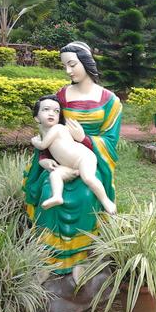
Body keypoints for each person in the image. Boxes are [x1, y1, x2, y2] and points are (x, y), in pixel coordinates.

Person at [23, 42, 122, 275]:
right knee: (49, 190)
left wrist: (85, 139)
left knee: (87, 194)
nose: (68, 71)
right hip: (60, 162)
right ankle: (48, 257)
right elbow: (48, 131)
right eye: (65, 66)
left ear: (86, 63)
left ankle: (82, 258)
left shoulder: (110, 101)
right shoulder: (61, 97)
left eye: (72, 65)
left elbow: (110, 141)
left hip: (89, 160)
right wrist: (44, 159)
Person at [31, 95, 117, 214]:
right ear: (36, 117)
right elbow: (44, 152)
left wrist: (35, 142)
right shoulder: (44, 132)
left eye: (56, 111)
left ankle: (106, 201)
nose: (51, 114)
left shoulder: (57, 128)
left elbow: (43, 146)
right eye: (46, 109)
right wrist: (44, 161)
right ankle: (57, 197)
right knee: (55, 175)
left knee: (88, 178)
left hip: (84, 158)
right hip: (69, 166)